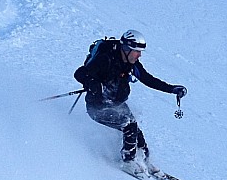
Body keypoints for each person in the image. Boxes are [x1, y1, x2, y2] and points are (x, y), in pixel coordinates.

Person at [73, 29, 187, 163]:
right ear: (126, 49)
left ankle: (145, 161)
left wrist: (172, 89)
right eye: (137, 51)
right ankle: (130, 162)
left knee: (137, 133)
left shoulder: (130, 63)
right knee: (129, 127)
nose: (139, 55)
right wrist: (93, 85)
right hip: (98, 108)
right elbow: (80, 73)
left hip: (117, 104)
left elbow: (147, 79)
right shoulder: (105, 59)